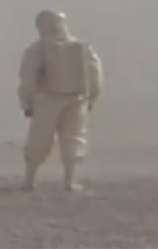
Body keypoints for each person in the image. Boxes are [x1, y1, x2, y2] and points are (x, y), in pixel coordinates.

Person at [18, 10, 103, 191]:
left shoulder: (37, 50)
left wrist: (27, 102)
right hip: (76, 99)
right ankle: (69, 181)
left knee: (39, 139)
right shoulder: (82, 48)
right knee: (73, 139)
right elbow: (95, 75)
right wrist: (91, 97)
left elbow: (28, 78)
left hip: (47, 99)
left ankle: (29, 180)